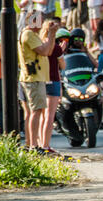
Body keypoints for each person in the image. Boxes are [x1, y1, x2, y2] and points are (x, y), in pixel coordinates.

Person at [18, 11, 58, 152]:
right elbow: (44, 51)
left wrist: (50, 36)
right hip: (33, 79)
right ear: (33, 21)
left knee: (32, 112)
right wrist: (51, 34)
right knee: (36, 111)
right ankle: (34, 146)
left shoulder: (32, 35)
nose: (41, 23)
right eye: (39, 20)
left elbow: (49, 50)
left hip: (34, 78)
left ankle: (31, 144)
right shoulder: (29, 34)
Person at [38, 21, 67, 154]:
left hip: (40, 80)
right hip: (53, 80)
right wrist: (62, 49)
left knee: (41, 115)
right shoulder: (56, 47)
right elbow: (63, 66)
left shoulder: (39, 45)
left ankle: (38, 143)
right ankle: (45, 145)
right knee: (49, 116)